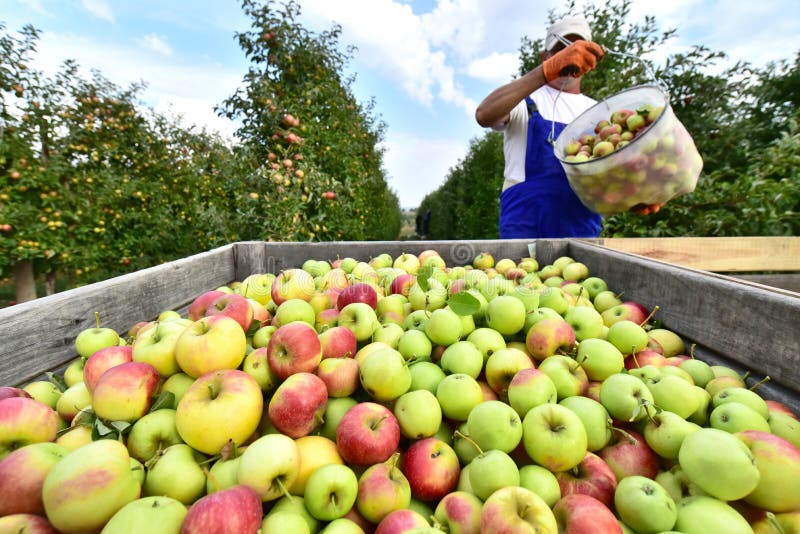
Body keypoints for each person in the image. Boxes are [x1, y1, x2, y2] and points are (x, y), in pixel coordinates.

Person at [476, 15, 653, 239]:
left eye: (578, 51)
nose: (570, 57)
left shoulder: (600, 114)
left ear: (590, 61)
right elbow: (484, 114)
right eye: (561, 50)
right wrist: (545, 72)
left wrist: (630, 197)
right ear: (545, 57)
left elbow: (606, 178)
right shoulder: (524, 100)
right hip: (524, 225)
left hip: (580, 228)